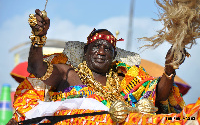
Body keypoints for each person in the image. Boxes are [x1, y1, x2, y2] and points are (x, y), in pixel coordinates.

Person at [9, 7, 197, 125]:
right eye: (96, 46)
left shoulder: (126, 79)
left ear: (114, 56)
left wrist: (170, 68)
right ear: (85, 51)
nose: (101, 51)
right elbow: (36, 68)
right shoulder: (68, 73)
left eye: (107, 48)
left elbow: (158, 95)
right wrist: (38, 38)